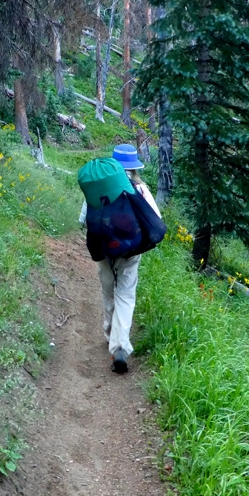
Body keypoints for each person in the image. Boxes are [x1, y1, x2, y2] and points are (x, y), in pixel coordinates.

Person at [79, 144, 162, 374]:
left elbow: (83, 219)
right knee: (125, 294)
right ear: (134, 167)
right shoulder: (140, 188)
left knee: (108, 290)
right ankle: (120, 347)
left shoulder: (98, 187)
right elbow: (156, 218)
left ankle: (109, 333)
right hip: (131, 251)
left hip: (104, 250)